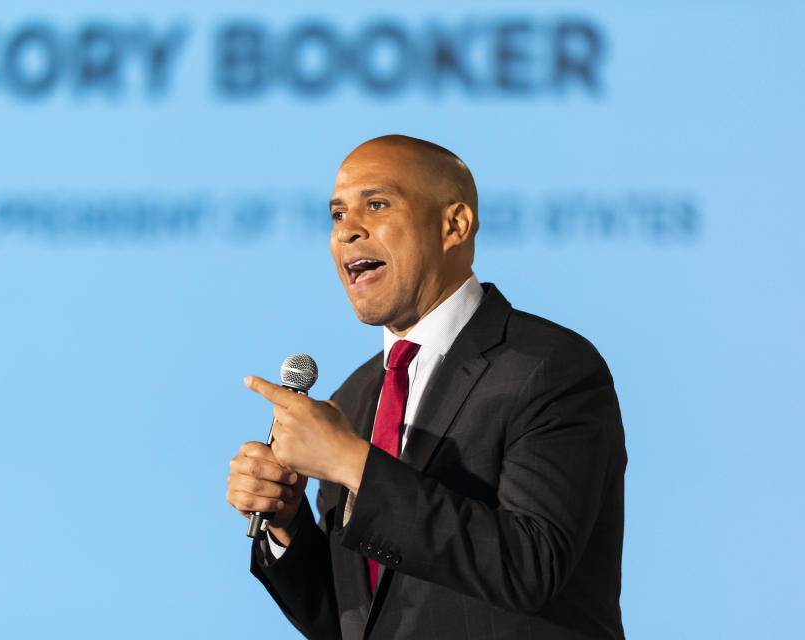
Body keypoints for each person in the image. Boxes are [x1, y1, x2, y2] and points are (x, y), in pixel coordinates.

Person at [226, 135, 627, 639]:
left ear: (453, 224)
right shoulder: (353, 399)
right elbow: (353, 621)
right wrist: (288, 524)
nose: (348, 231)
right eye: (336, 215)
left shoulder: (550, 366)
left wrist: (352, 464)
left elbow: (531, 566)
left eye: (376, 204)